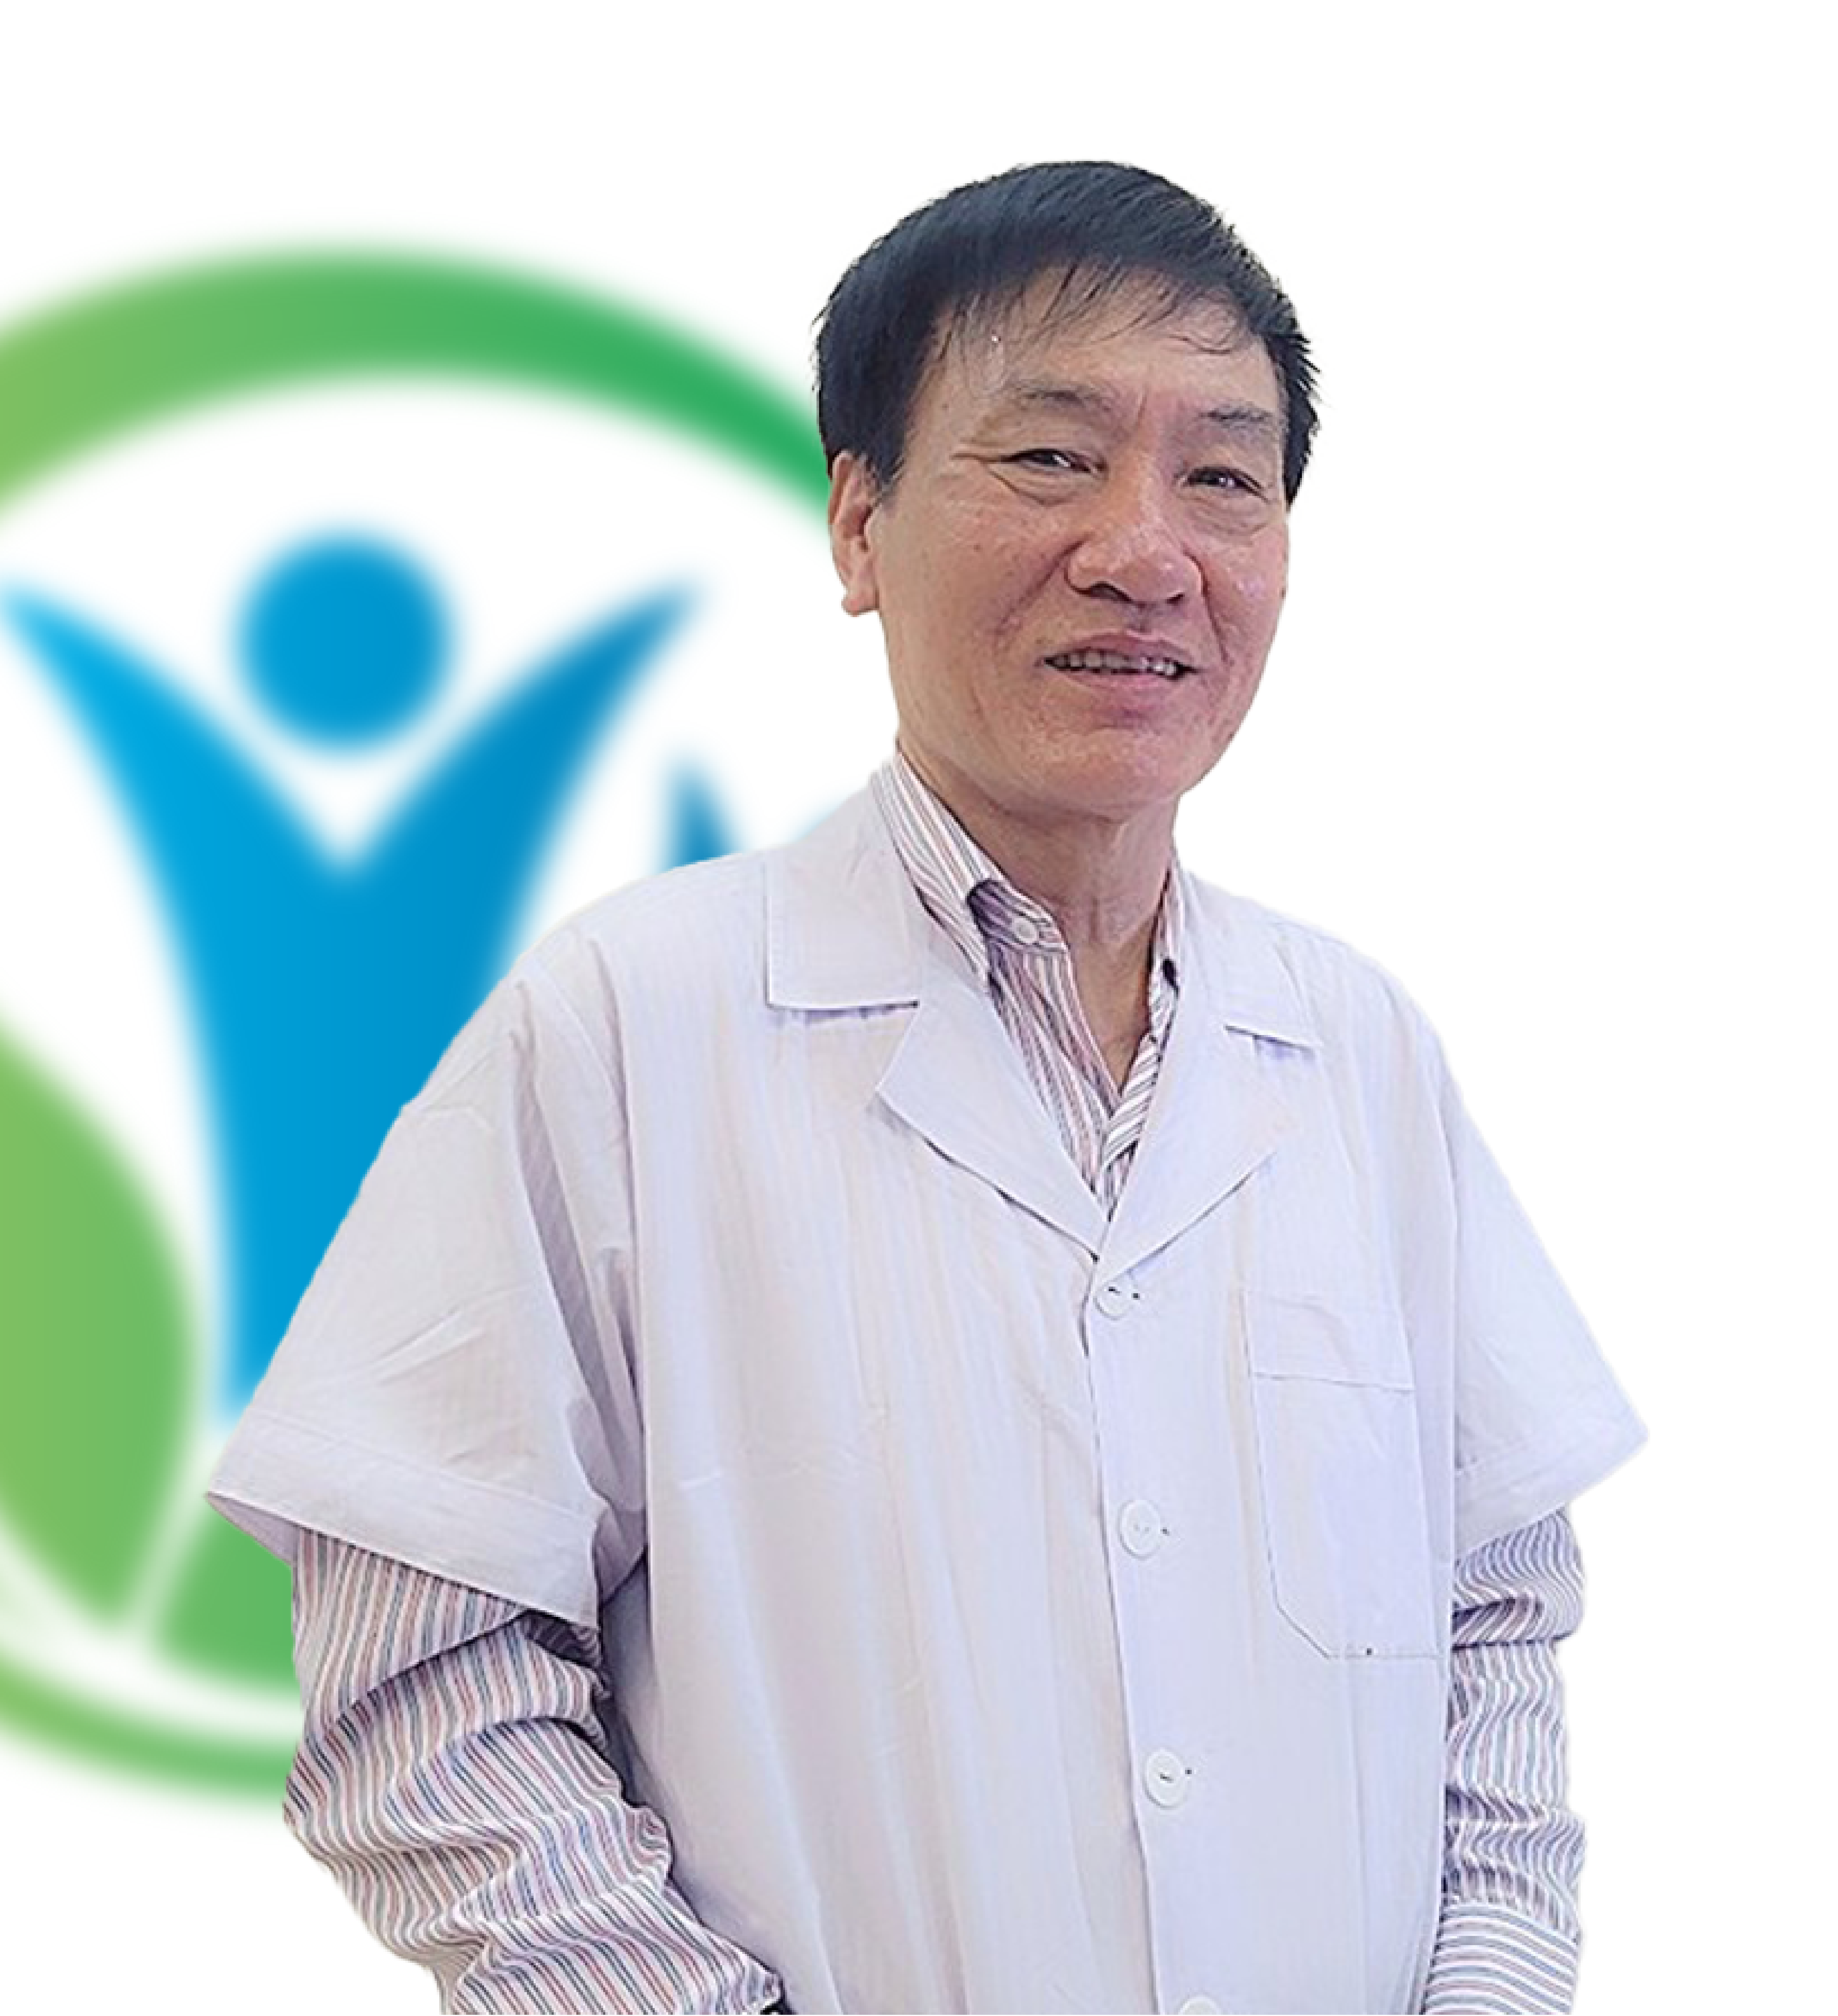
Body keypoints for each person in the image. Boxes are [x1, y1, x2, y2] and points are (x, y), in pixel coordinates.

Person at [211, 161, 1645, 2015]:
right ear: (858, 521)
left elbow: (1496, 1619)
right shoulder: (628, 1021)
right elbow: (427, 1673)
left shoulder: (1356, 1048)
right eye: (1051, 458)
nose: (1144, 550)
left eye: (1222, 476)